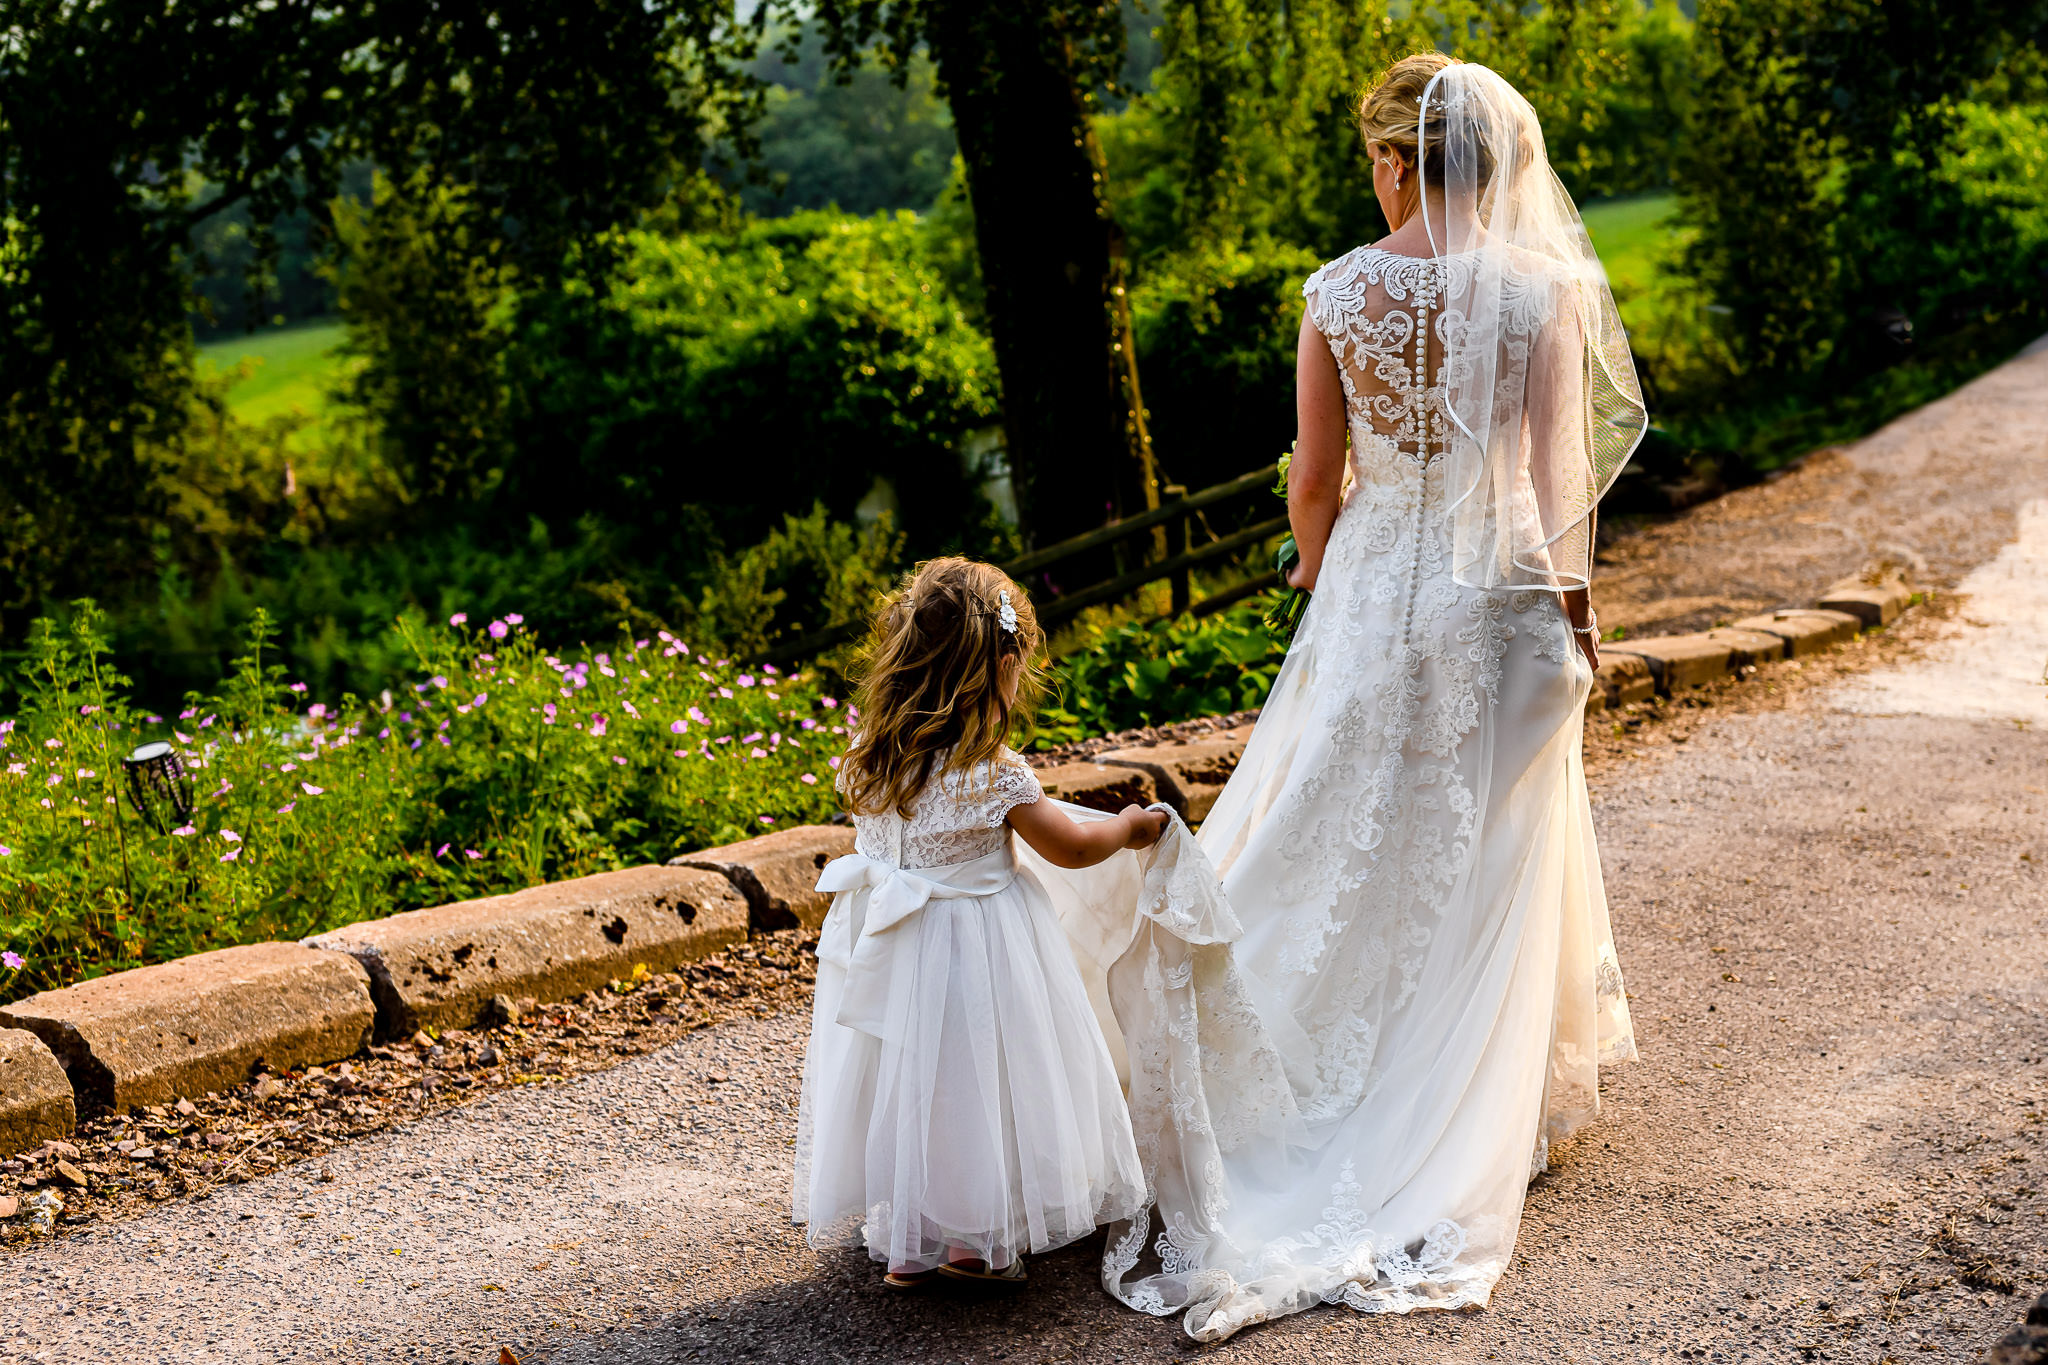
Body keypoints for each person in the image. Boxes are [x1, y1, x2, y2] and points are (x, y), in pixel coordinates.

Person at [1093, 53, 1647, 1339]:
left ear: (1399, 159)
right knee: (1486, 847)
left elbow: (1313, 483)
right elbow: (1558, 477)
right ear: (1498, 161)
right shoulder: (1541, 292)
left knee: (1342, 827)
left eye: (1374, 155)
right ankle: (1487, 1096)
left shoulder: (1339, 291)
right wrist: (1576, 614)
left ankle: (1283, 1079)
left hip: (1377, 588)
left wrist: (1322, 576)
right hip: (1503, 595)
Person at [791, 556, 1167, 1290]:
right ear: (998, 664)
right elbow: (1071, 845)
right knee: (976, 1084)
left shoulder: (870, 762)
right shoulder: (991, 770)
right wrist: (1127, 825)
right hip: (974, 948)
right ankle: (975, 1243)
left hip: (889, 945)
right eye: (1018, 667)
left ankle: (911, 1240)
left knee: (907, 1082)